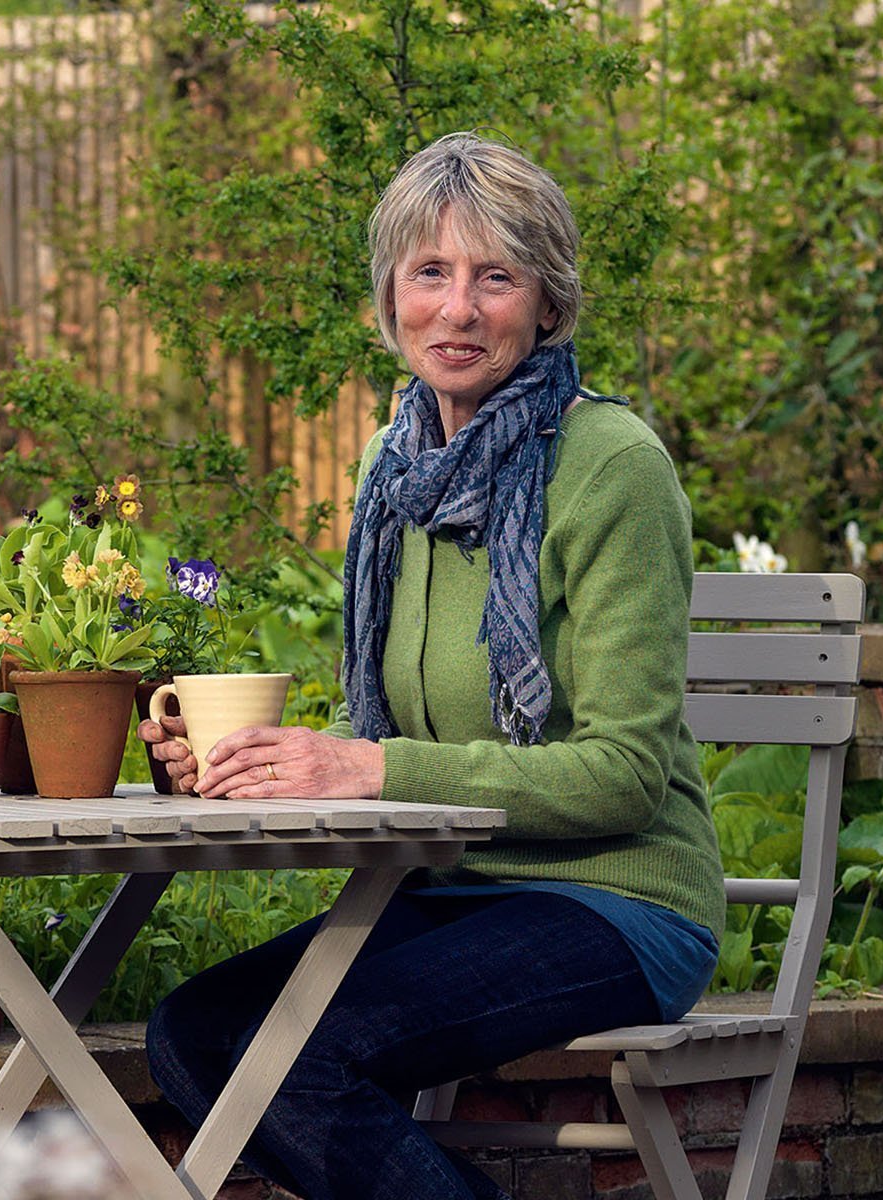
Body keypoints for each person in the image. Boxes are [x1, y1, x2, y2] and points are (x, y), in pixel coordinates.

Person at [138, 132, 723, 1200]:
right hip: (449, 890)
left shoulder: (612, 468)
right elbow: (399, 723)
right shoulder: (395, 468)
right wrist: (250, 759)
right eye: (431, 273)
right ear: (391, 297)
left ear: (547, 305)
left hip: (617, 903)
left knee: (300, 1060)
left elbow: (627, 774)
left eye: (496, 276)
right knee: (196, 1032)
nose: (458, 309)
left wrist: (370, 770)